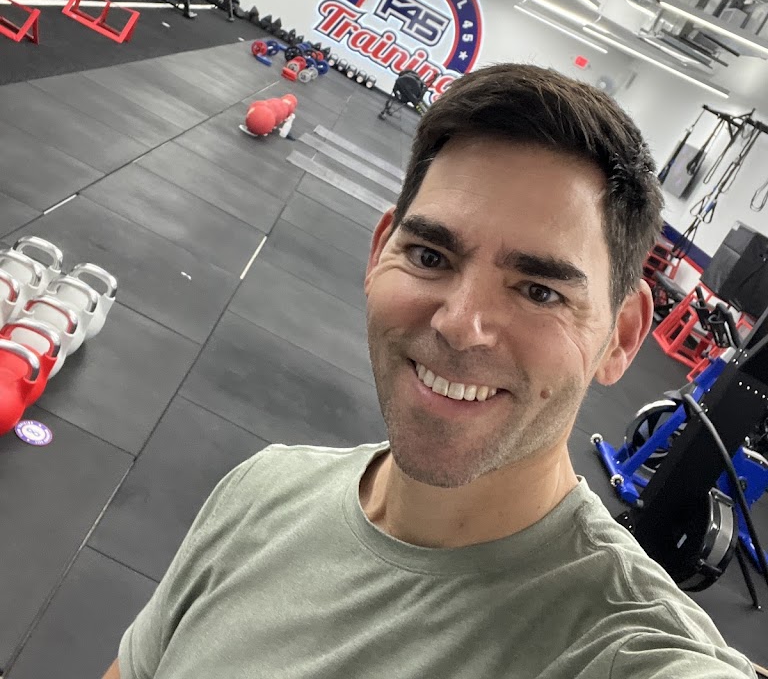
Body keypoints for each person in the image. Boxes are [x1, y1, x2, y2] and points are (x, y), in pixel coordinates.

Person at [104, 64, 755, 679]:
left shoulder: (624, 649)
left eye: (539, 291)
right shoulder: (260, 492)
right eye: (429, 256)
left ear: (622, 335)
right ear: (379, 252)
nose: (459, 324)